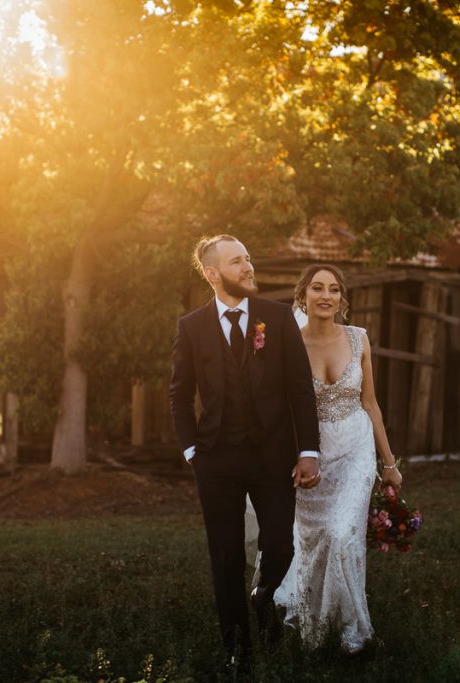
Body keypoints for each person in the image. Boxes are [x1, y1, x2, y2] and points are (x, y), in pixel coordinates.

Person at [169, 235, 322, 669]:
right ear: (213, 274)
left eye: (249, 259)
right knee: (226, 555)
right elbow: (179, 395)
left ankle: (264, 593)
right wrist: (192, 452)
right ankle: (238, 648)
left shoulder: (275, 318)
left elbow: (299, 388)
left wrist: (307, 450)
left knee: (280, 543)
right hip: (216, 460)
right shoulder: (191, 327)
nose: (248, 267)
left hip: (273, 456)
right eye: (238, 262)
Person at [274, 263, 403, 654]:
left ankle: (354, 630)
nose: (325, 295)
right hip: (312, 457)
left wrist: (389, 463)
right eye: (317, 288)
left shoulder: (358, 338)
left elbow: (371, 404)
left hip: (356, 449)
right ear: (303, 296)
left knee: (340, 533)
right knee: (313, 542)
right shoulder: (288, 344)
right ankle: (316, 629)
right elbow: (282, 410)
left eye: (333, 289)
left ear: (341, 299)